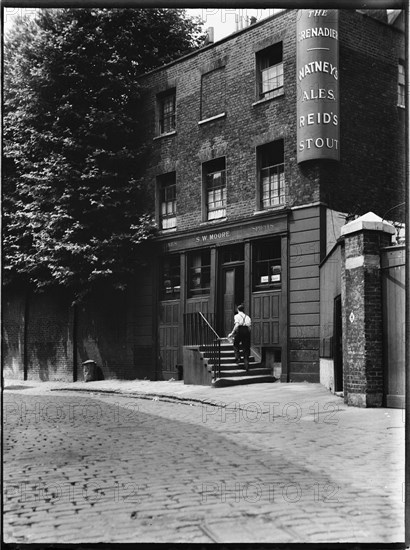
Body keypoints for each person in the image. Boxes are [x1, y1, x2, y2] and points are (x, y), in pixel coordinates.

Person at [228, 304, 252, 371]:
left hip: (240, 330)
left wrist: (232, 333)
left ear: (237, 310)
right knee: (246, 348)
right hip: (246, 331)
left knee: (236, 344)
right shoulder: (248, 317)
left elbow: (236, 325)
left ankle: (238, 357)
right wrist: (247, 333)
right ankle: (246, 364)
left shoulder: (237, 316)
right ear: (243, 310)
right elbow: (250, 327)